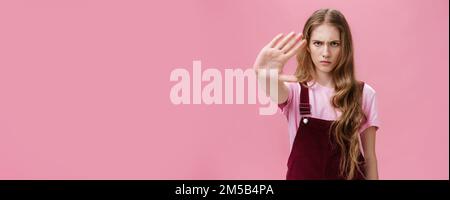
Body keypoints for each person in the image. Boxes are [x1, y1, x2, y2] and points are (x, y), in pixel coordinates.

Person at [253, 8, 380, 180]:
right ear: (307, 47)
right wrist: (261, 73)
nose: (326, 53)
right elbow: (272, 86)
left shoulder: (363, 94)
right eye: (318, 43)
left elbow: (370, 159)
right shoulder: (294, 91)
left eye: (334, 43)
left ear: (345, 47)